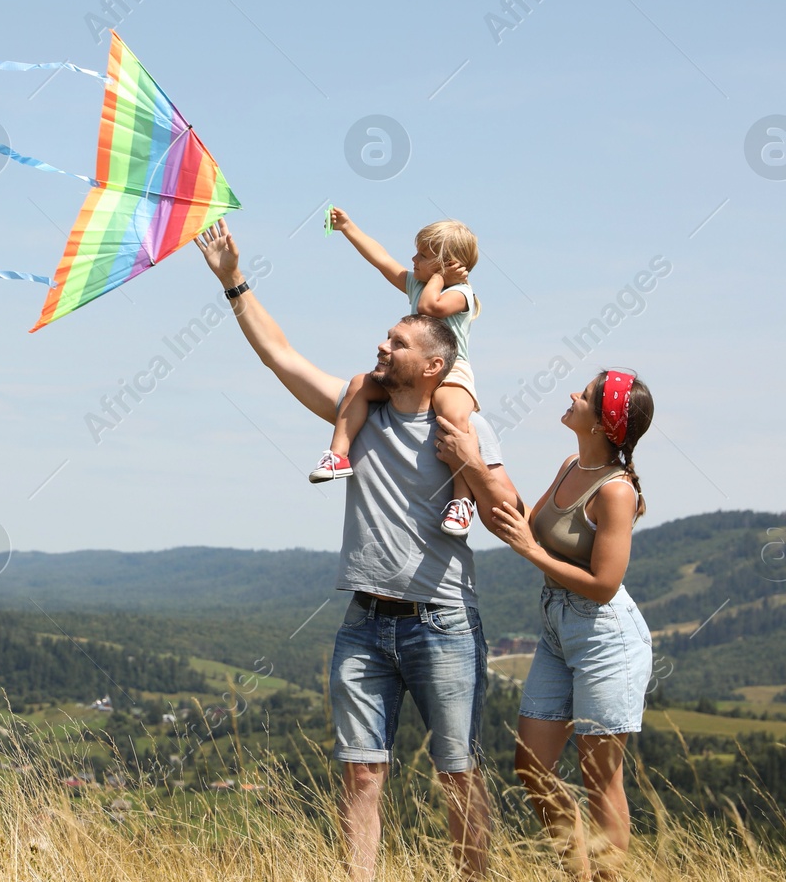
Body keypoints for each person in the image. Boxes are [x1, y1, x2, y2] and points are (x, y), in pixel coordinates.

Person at [195, 218, 519, 882]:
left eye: (396, 341)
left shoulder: (465, 422)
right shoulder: (360, 410)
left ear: (434, 364)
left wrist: (473, 466)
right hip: (364, 625)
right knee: (361, 774)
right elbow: (279, 355)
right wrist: (233, 280)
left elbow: (508, 509)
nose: (382, 343)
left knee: (458, 774)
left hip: (444, 622)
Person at [439, 369, 655, 881]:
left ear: (605, 422)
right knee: (531, 765)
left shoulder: (616, 492)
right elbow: (519, 518)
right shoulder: (568, 466)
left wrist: (532, 551)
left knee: (601, 780)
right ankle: (578, 873)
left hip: (606, 635)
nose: (573, 395)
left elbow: (603, 583)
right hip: (558, 630)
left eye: (586, 394)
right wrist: (471, 466)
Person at [310, 209, 486, 538]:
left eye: (422, 254)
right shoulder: (418, 282)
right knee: (360, 384)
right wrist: (348, 227)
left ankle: (462, 501)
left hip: (450, 371)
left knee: (454, 420)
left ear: (446, 263)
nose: (413, 259)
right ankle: (338, 455)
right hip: (411, 369)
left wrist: (437, 278)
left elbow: (429, 309)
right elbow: (381, 259)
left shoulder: (461, 292)